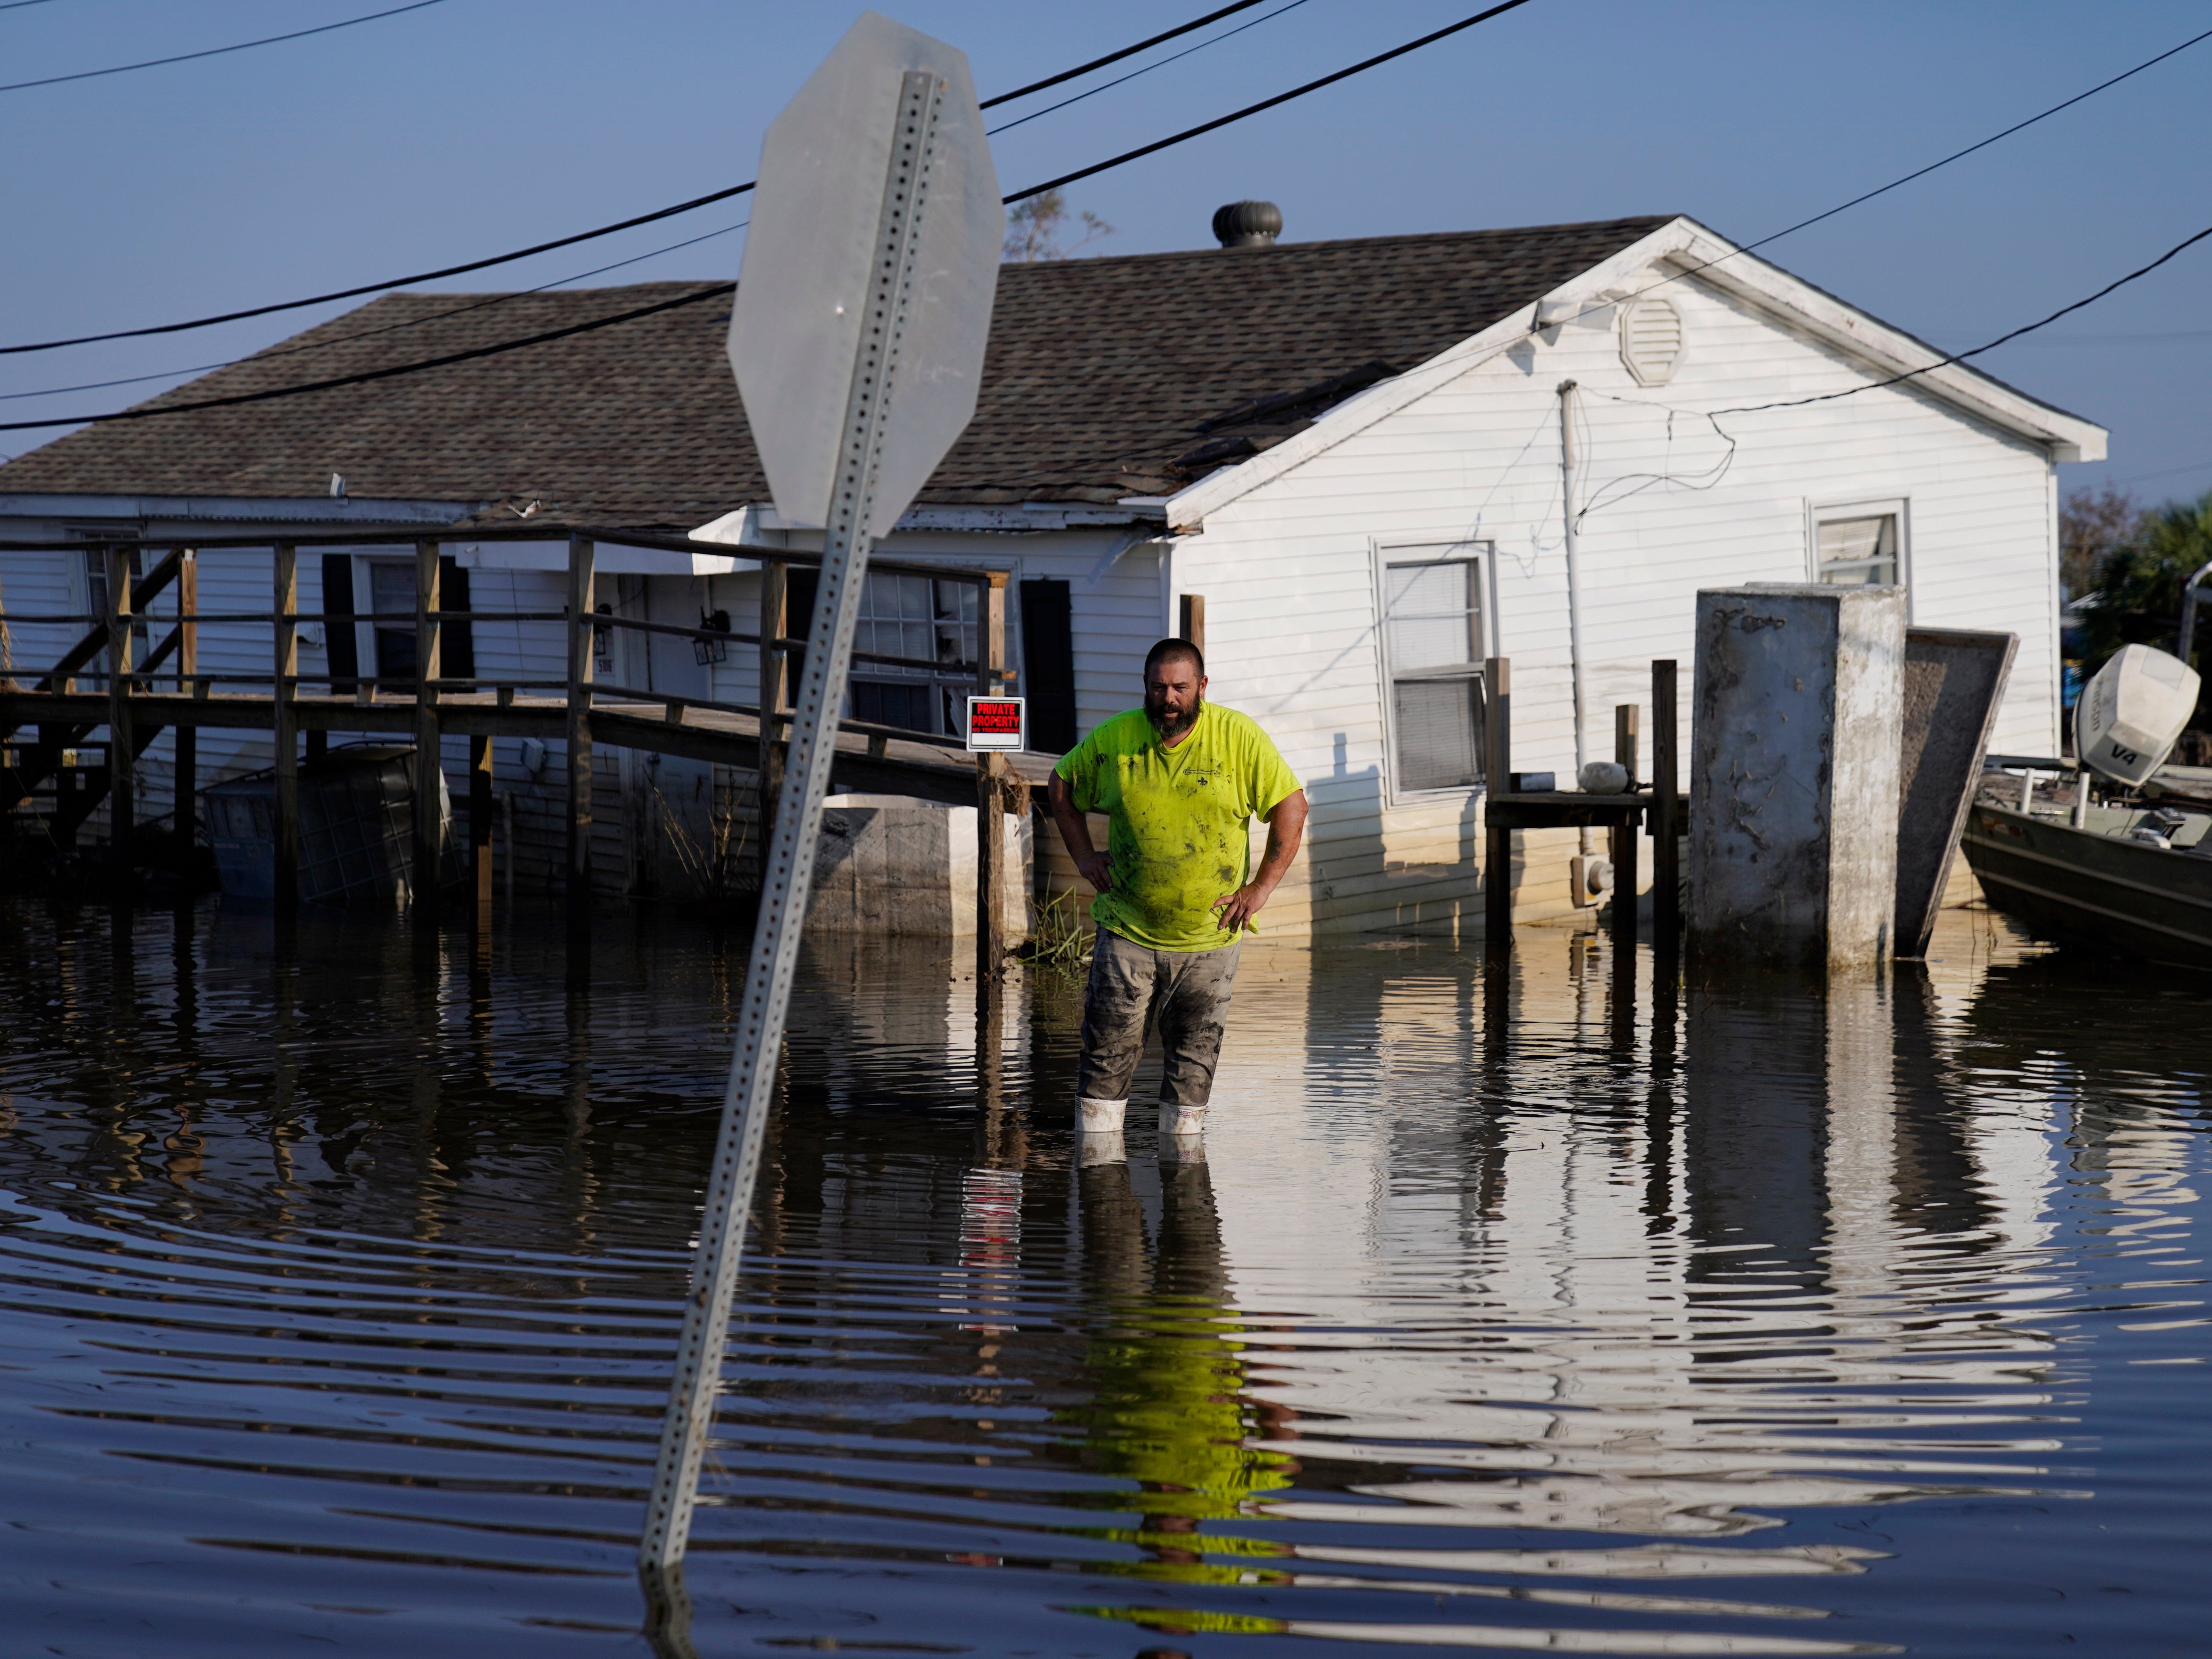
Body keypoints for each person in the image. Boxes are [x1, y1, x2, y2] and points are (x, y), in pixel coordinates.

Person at [1046, 638, 1308, 1141]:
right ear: (1145, 688)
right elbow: (1061, 785)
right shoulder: (1117, 738)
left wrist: (1260, 889)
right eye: (1159, 687)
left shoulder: (1238, 738)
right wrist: (1083, 856)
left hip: (1209, 939)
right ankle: (1101, 1179)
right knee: (1104, 1065)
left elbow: (1291, 808)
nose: (1169, 698)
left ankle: (1185, 1188)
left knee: (1192, 1076)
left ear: (1202, 687)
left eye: (1181, 688)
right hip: (1127, 932)